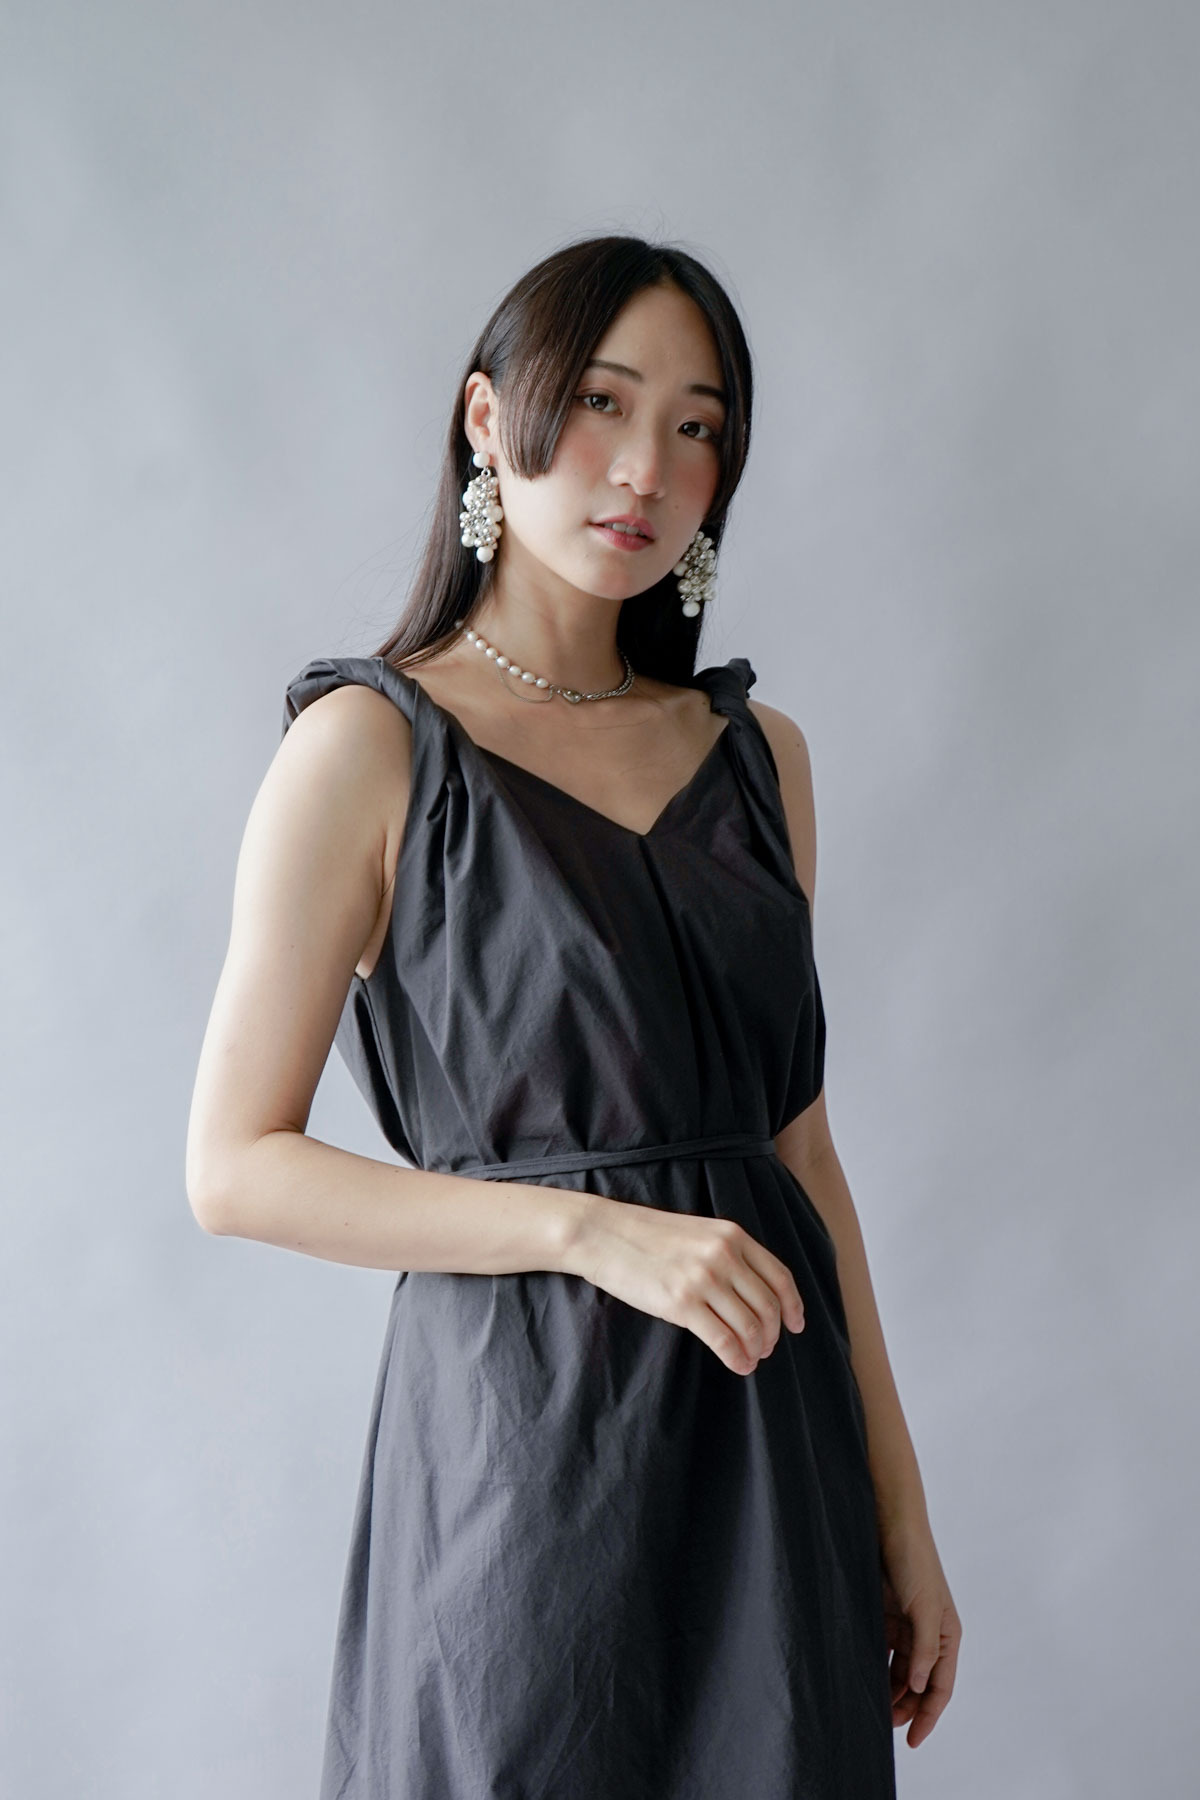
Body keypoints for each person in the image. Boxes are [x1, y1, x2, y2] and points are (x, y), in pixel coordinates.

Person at [186, 233, 961, 1798]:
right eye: (603, 403)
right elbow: (235, 1167)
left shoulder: (761, 759)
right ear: (490, 419)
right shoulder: (367, 749)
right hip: (521, 1452)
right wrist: (591, 1232)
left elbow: (801, 1155)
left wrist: (901, 1508)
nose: (646, 468)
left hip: (772, 1444)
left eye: (696, 425)